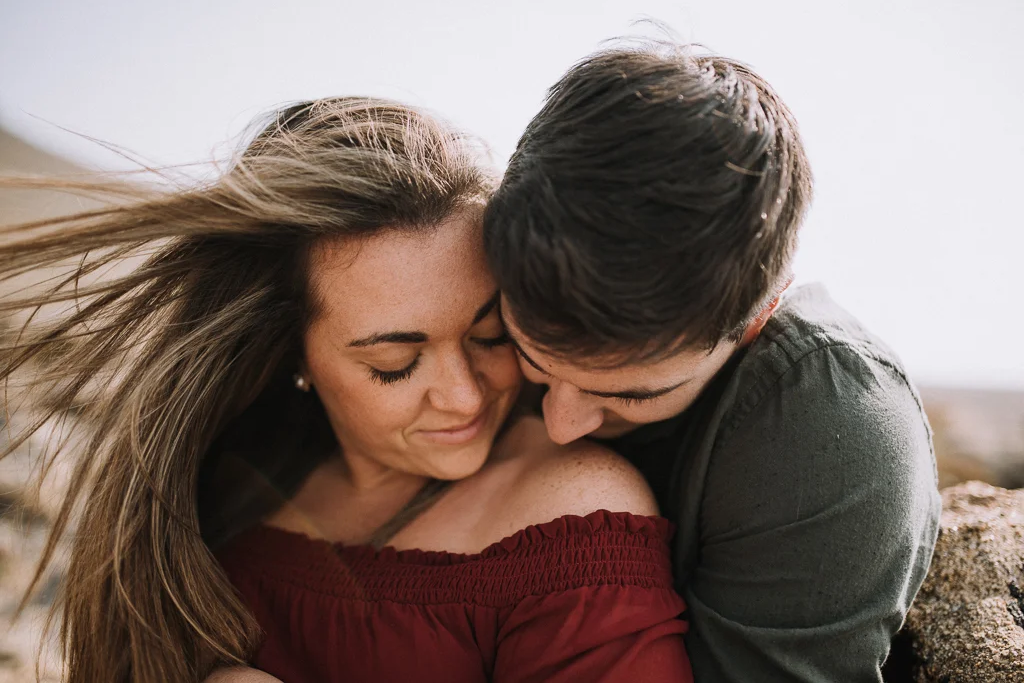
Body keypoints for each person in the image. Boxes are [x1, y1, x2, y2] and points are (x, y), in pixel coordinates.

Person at [0, 99, 692, 682]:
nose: (463, 396)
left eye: (491, 337)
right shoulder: (225, 481)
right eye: (394, 362)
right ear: (292, 353)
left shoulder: (571, 514)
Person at [483, 41, 942, 681]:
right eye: (531, 355)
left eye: (634, 394)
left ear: (756, 319)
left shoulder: (830, 424)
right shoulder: (471, 280)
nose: (559, 423)